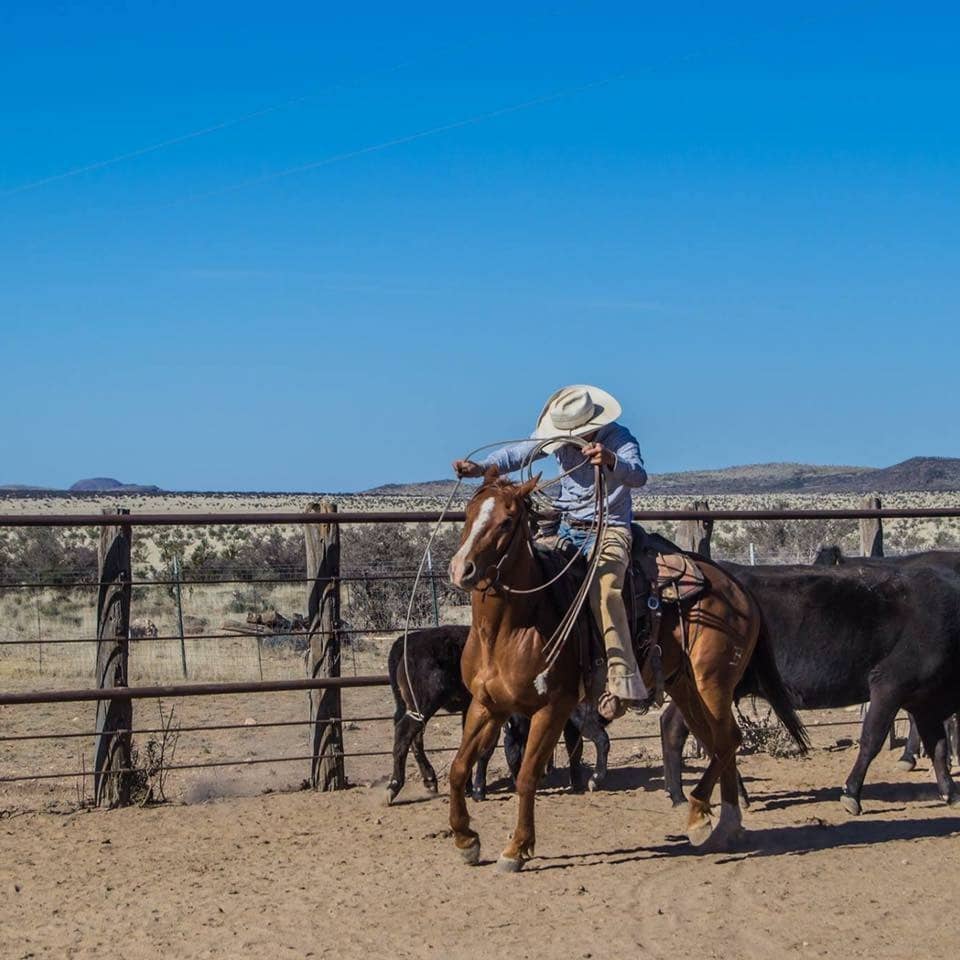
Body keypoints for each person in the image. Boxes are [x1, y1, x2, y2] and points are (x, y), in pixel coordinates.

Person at [453, 384, 650, 720]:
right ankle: (534, 665)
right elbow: (518, 453)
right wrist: (481, 468)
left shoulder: (619, 438)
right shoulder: (556, 438)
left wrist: (612, 461)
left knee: (605, 593)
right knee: (531, 578)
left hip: (609, 529)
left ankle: (621, 680)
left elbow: (638, 475)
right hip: (567, 527)